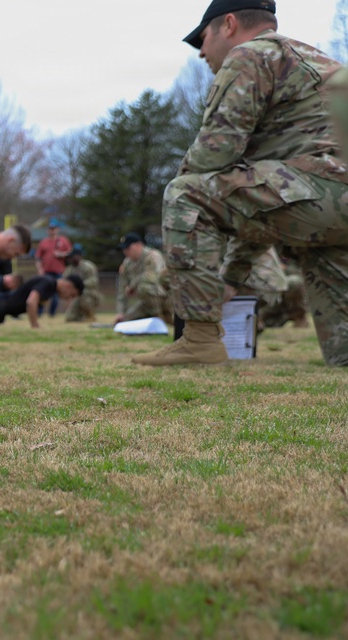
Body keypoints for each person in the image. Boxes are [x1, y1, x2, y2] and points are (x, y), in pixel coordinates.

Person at [134, 0, 348, 366]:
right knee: (343, 353)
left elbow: (215, 154)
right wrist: (231, 277)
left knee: (186, 192)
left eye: (202, 38)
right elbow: (268, 206)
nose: (201, 52)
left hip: (320, 193)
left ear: (229, 24)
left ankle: (200, 339)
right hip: (330, 213)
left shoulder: (250, 55)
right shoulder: (323, 63)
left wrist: (187, 180)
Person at [114, 233, 172, 325]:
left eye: (128, 248)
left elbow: (151, 277)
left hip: (165, 298)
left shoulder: (153, 256)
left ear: (138, 245)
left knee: (144, 287)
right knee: (127, 320)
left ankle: (160, 319)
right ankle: (153, 319)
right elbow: (122, 288)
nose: (125, 251)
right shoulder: (127, 263)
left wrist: (132, 285)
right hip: (146, 302)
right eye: (124, 249)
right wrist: (120, 312)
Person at [34, 220, 71, 316]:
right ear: (48, 231)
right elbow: (38, 258)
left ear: (57, 230)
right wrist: (40, 270)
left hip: (58, 271)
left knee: (56, 293)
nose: (52, 231)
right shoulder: (43, 242)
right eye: (50, 229)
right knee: (43, 292)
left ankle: (52, 313)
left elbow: (70, 253)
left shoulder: (63, 241)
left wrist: (61, 254)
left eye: (54, 229)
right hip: (46, 271)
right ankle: (39, 313)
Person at [63, 243, 102, 323]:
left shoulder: (88, 267)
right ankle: (81, 316)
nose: (71, 258)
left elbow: (94, 281)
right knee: (69, 318)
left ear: (78, 256)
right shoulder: (69, 270)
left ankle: (90, 315)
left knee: (82, 293)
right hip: (76, 296)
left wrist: (80, 285)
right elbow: (64, 282)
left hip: (90, 295)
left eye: (73, 256)